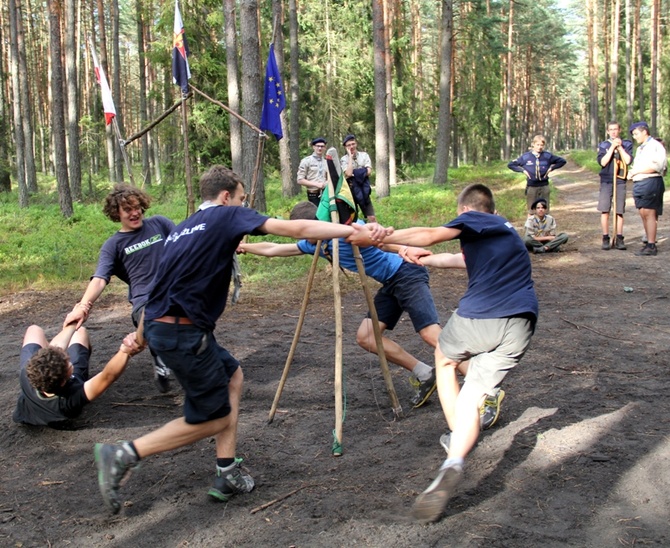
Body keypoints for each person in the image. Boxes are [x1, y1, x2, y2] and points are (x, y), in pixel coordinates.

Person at [93, 165, 364, 514]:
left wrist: (143, 335)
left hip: (169, 327)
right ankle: (124, 454)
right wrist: (350, 230)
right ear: (225, 197)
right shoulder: (225, 216)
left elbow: (159, 283)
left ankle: (227, 470)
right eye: (240, 198)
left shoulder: (184, 228)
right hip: (183, 333)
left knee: (232, 375)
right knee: (214, 418)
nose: (242, 204)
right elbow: (293, 227)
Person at [351, 183, 538, 523]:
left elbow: (432, 234)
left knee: (443, 357)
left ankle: (455, 442)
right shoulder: (503, 235)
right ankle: (453, 461)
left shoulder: (479, 219)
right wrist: (422, 257)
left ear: (468, 212)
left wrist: (382, 236)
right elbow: (457, 259)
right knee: (471, 397)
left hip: (485, 314)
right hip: (521, 326)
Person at [239, 201, 440, 409]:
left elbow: (381, 239)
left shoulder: (345, 231)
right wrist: (244, 247)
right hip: (391, 282)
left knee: (429, 333)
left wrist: (405, 247)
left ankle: (472, 373)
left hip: (406, 272)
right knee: (367, 338)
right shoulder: (314, 244)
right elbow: (275, 249)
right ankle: (425, 373)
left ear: (315, 224)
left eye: (303, 231)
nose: (302, 237)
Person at [63, 184, 176, 392]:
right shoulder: (113, 245)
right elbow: (99, 279)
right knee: (158, 319)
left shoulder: (160, 224)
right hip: (145, 300)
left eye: (137, 207)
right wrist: (83, 305)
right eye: (128, 209)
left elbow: (185, 243)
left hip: (175, 291)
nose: (135, 213)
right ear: (117, 213)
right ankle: (161, 357)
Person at [13, 323, 143, 428]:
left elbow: (42, 341)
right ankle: (68, 342)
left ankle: (55, 355)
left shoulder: (27, 373)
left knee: (34, 329)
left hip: (29, 416)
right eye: (68, 363)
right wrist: (125, 352)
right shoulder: (73, 396)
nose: (70, 362)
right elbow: (107, 376)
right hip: (64, 399)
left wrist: (73, 323)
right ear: (65, 380)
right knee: (80, 332)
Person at [628, 121, 667, 256]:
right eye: (633, 135)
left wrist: (636, 171)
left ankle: (651, 245)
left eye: (636, 134)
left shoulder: (655, 146)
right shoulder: (640, 148)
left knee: (650, 213)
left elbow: (657, 166)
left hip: (651, 182)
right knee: (643, 212)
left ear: (645, 131)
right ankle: (648, 242)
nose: (635, 137)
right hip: (639, 183)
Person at [597, 121, 633, 250]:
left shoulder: (627, 144)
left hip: (620, 180)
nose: (613, 131)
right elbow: (603, 162)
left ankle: (619, 237)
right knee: (605, 209)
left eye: (615, 129)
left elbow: (628, 160)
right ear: (607, 131)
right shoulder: (603, 145)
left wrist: (620, 148)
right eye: (611, 129)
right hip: (606, 180)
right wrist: (612, 147)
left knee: (619, 211)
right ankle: (605, 237)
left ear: (619, 130)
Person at [508, 135, 566, 214]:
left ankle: (545, 226)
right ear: (533, 144)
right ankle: (531, 226)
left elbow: (562, 161)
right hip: (532, 186)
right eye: (537, 145)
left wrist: (551, 168)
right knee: (531, 210)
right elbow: (511, 164)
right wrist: (522, 170)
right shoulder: (526, 157)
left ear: (544, 145)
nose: (539, 147)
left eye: (541, 145)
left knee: (545, 210)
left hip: (544, 186)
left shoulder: (547, 156)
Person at [341, 134, 376, 222]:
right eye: (348, 145)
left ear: (356, 144)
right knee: (352, 219)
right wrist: (350, 158)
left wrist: (354, 173)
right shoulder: (344, 159)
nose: (351, 147)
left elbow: (368, 171)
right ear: (345, 147)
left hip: (364, 189)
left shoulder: (364, 155)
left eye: (353, 144)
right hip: (351, 191)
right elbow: (348, 173)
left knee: (371, 217)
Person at [297, 137, 328, 206]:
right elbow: (300, 180)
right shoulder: (306, 161)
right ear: (313, 147)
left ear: (325, 148)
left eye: (322, 146)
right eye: (318, 146)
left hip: (326, 194)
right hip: (313, 194)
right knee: (316, 215)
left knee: (326, 215)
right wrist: (316, 184)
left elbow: (329, 178)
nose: (320, 148)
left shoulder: (326, 162)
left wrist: (326, 183)